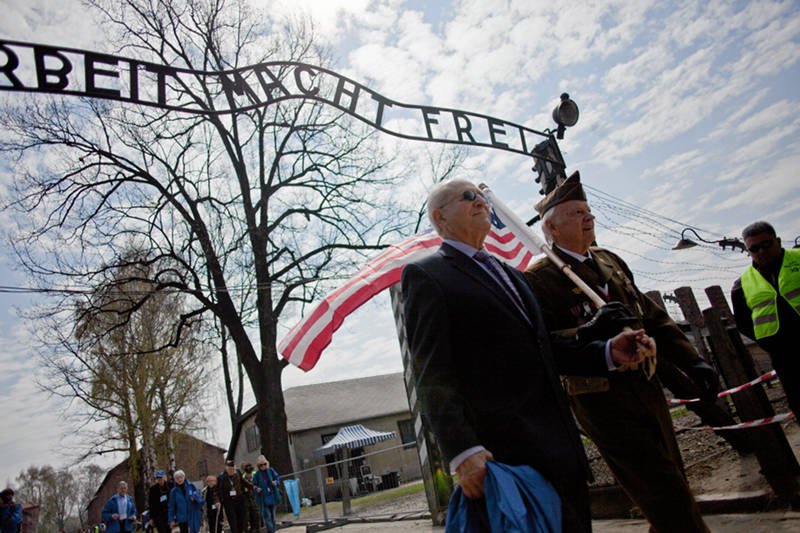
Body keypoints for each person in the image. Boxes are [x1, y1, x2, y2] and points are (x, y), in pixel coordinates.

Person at [401, 179, 653, 532]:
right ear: (440, 217)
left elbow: (543, 350)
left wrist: (608, 351)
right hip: (504, 459)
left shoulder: (513, 277)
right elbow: (431, 372)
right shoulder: (428, 275)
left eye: (483, 196)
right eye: (469, 196)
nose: (481, 202)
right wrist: (462, 450)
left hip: (561, 449)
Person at [524, 173, 712, 532]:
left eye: (588, 210)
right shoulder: (540, 279)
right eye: (577, 212)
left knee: (672, 479)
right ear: (551, 228)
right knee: (662, 491)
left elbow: (651, 316)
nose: (588, 217)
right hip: (602, 400)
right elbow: (543, 343)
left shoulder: (609, 261)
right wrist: (589, 331)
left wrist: (693, 360)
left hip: (647, 386)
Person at [732, 220, 800, 416]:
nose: (761, 251)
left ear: (777, 241)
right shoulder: (742, 285)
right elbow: (744, 323)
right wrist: (769, 342)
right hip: (785, 356)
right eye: (754, 248)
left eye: (766, 244)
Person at [252, 456, 280, 533]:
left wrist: (276, 482)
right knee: (267, 517)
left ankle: (272, 531)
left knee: (273, 517)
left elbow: (277, 478)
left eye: (264, 464)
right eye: (261, 465)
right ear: (258, 466)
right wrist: (256, 488)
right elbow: (254, 485)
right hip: (263, 498)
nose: (263, 466)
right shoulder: (257, 475)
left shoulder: (271, 470)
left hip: (272, 496)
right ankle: (271, 531)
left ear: (266, 463)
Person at [217, 460, 245, 533]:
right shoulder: (221, 477)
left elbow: (243, 482)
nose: (232, 471)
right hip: (229, 502)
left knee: (241, 520)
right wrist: (221, 501)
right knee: (233, 521)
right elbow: (219, 490)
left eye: (233, 469)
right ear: (226, 469)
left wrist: (253, 487)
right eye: (230, 469)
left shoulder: (238, 473)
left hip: (239, 499)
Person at [238, 463, 259, 533]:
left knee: (256, 515)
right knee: (249, 516)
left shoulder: (255, 474)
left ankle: (256, 529)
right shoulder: (243, 476)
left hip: (254, 497)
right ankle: (252, 529)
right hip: (247, 498)